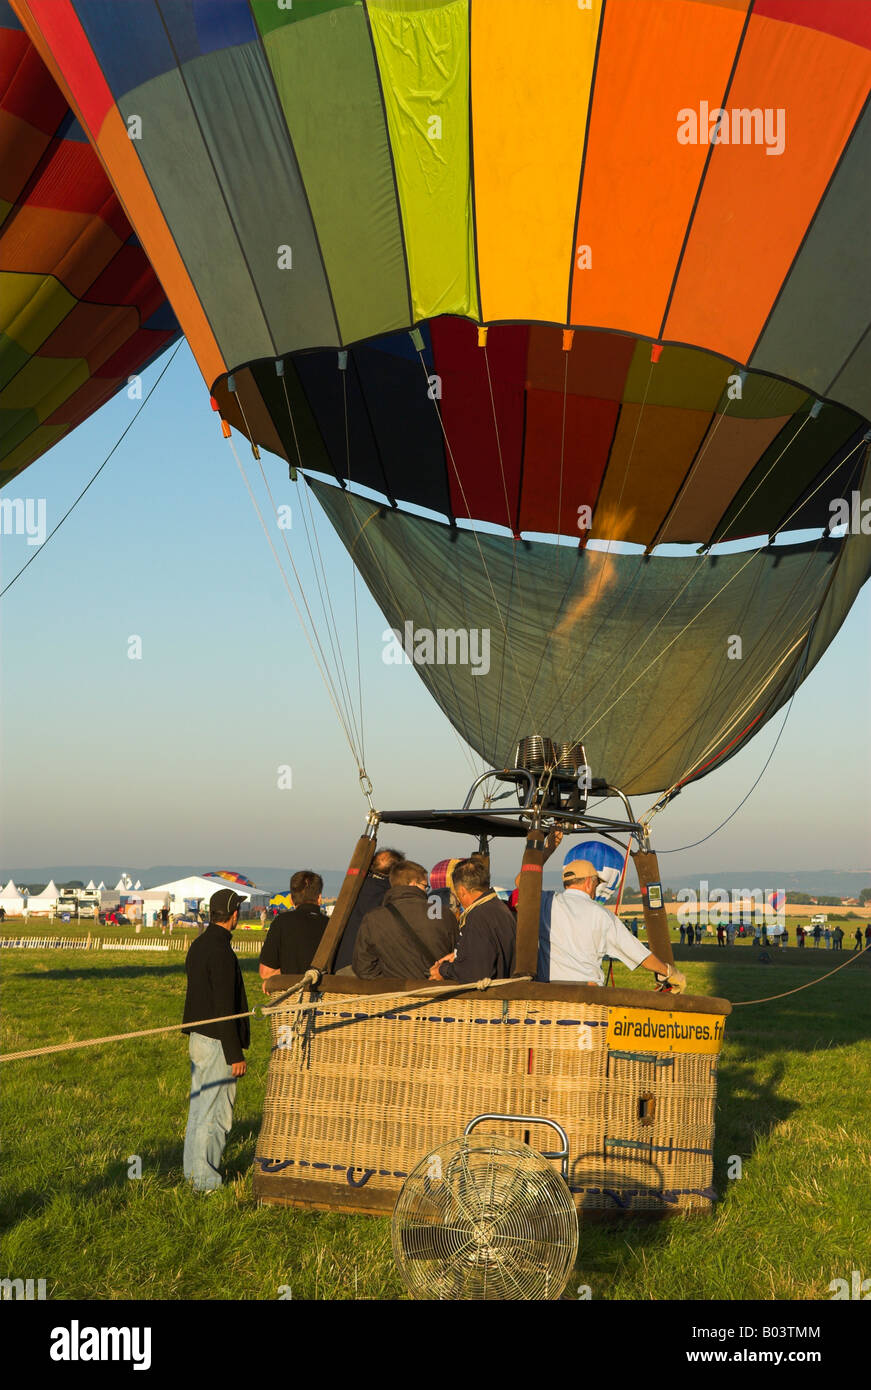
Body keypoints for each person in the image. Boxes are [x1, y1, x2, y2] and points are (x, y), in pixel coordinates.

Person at [534, 854, 687, 991]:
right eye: (596, 884)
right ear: (589, 882)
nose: (596, 889)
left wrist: (547, 849)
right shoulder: (602, 915)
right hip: (586, 994)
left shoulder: (545, 901)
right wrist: (668, 972)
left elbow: (523, 881)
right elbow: (637, 953)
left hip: (548, 992)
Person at [181, 888, 250, 1193]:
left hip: (200, 1038)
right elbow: (224, 1006)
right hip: (217, 1043)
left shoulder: (199, 944)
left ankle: (194, 1175)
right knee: (215, 1115)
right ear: (233, 914)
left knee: (199, 1111)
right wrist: (234, 1054)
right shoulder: (221, 951)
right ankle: (206, 1182)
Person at [353, 860, 456, 979]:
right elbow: (457, 956)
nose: (426, 891)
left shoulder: (373, 918)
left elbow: (363, 968)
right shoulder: (443, 913)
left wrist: (389, 983)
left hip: (394, 994)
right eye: (425, 886)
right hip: (436, 991)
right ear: (413, 884)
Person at [430, 858, 516, 984]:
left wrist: (443, 970)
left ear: (462, 891)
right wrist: (460, 954)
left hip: (488, 1000)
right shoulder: (500, 907)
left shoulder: (478, 916)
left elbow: (474, 972)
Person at [333, 847, 404, 972]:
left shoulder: (354, 888)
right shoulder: (391, 896)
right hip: (368, 968)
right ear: (397, 871)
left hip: (341, 963)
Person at [258, 871, 327, 990]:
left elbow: (265, 972)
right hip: (324, 999)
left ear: (290, 899)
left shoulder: (281, 922)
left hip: (290, 1000)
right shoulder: (330, 925)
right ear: (319, 898)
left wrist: (288, 972)